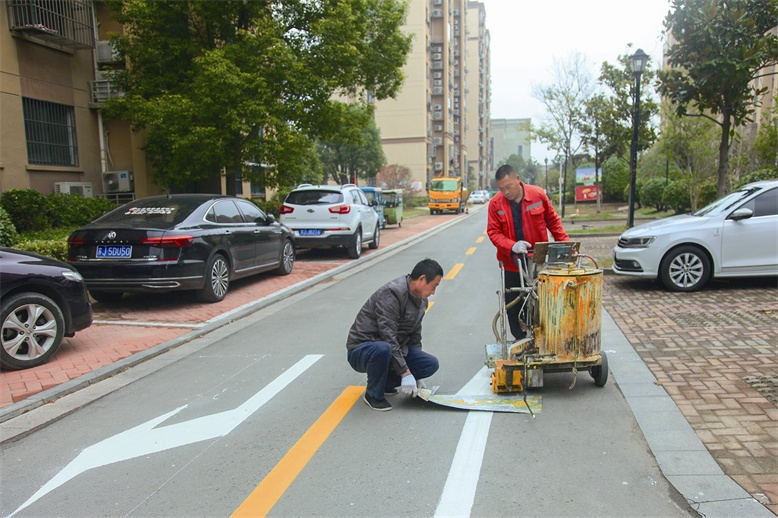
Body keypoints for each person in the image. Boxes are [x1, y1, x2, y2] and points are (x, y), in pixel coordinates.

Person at [346, 258, 443, 411]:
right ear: (422, 279)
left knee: (430, 364)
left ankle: (385, 384)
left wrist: (416, 376)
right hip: (363, 349)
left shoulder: (421, 301)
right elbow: (387, 336)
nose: (433, 292)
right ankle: (373, 394)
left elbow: (415, 337)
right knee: (382, 348)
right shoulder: (392, 293)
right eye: (433, 286)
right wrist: (405, 373)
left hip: (392, 350)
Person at [487, 165, 569, 341]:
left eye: (508, 186)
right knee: (513, 303)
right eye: (501, 188)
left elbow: (553, 222)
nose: (506, 192)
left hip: (536, 260)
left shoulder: (537, 195)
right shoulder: (496, 204)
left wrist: (566, 247)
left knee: (541, 299)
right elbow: (493, 232)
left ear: (518, 179)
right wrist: (512, 246)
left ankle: (542, 336)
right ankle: (520, 339)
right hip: (511, 263)